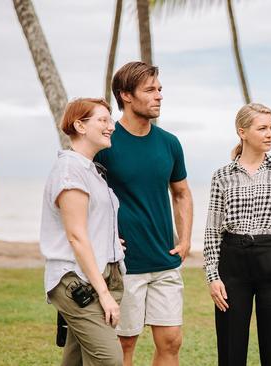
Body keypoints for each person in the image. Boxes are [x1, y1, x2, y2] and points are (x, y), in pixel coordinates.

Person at [94, 61, 193, 366]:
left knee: (172, 340)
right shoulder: (105, 142)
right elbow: (86, 200)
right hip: (125, 264)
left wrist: (186, 239)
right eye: (150, 90)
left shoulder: (169, 143)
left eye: (159, 89)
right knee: (124, 343)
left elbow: (181, 193)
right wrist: (103, 239)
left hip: (165, 258)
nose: (159, 95)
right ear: (125, 95)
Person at [203, 102, 271, 366]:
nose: (270, 133)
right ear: (242, 132)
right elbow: (213, 230)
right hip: (232, 263)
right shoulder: (222, 176)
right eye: (262, 128)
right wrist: (213, 276)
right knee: (230, 351)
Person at [39, 98, 126, 366]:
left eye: (110, 120)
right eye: (102, 120)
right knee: (109, 360)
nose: (111, 126)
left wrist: (110, 239)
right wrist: (103, 294)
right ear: (79, 125)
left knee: (75, 360)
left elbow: (89, 224)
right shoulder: (70, 170)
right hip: (78, 281)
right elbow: (75, 236)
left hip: (102, 274)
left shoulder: (92, 171)